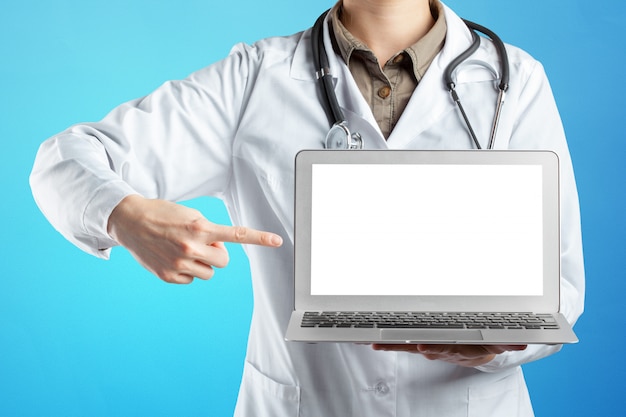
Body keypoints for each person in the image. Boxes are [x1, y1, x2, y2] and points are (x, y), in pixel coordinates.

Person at [30, 0, 585, 415]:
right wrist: (125, 215)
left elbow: (559, 284)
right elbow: (64, 159)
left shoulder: (515, 81)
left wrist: (495, 340)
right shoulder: (254, 79)